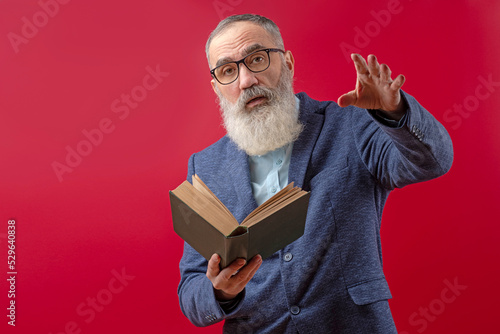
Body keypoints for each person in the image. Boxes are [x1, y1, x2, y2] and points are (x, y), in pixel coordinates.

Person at [177, 14, 453, 333]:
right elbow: (191, 293)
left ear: (288, 62)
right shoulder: (205, 165)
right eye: (228, 70)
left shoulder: (353, 125)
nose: (246, 80)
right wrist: (220, 292)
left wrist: (394, 111)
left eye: (256, 59)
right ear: (217, 87)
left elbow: (434, 160)